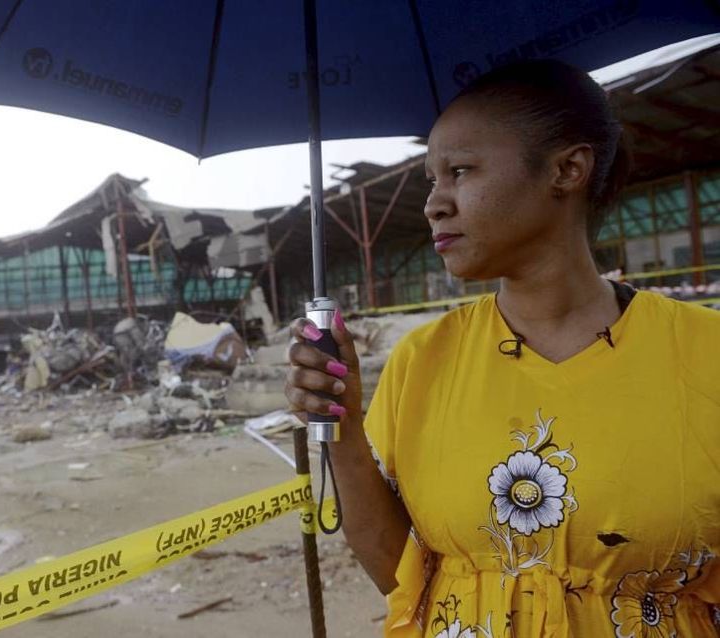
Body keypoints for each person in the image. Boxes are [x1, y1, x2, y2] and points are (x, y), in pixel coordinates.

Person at [285, 59, 720, 637]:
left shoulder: (704, 352)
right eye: (431, 181)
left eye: (460, 171)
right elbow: (403, 579)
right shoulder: (424, 360)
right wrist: (338, 425)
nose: (434, 204)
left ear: (567, 169)